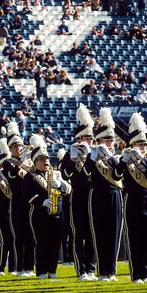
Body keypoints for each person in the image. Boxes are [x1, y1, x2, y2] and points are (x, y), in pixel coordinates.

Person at [23, 134, 71, 279]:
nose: (46, 161)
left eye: (47, 158)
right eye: (43, 159)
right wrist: (41, 202)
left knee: (55, 242)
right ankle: (42, 270)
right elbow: (27, 194)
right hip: (40, 214)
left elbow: (68, 189)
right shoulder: (30, 176)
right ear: (35, 161)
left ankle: (52, 270)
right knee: (42, 242)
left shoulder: (55, 173)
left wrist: (60, 185)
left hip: (57, 213)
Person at [85, 107, 123, 282]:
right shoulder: (92, 155)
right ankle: (102, 271)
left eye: (111, 140)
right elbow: (86, 172)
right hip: (98, 195)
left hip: (114, 193)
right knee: (100, 233)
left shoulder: (116, 156)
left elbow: (118, 174)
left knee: (114, 233)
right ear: (99, 140)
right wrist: (92, 157)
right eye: (106, 141)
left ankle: (112, 271)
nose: (110, 143)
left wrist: (112, 156)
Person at [119, 113, 147, 284]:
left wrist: (145, 158)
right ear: (132, 144)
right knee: (134, 238)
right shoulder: (124, 159)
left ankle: (146, 274)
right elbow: (116, 175)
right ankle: (136, 275)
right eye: (139, 144)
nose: (142, 147)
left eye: (143, 144)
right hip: (132, 198)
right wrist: (124, 160)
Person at [60, 104, 97, 281]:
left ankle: (91, 267)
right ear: (79, 138)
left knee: (92, 233)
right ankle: (80, 269)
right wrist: (74, 159)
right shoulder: (70, 155)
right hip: (77, 197)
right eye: (87, 139)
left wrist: (89, 155)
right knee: (78, 233)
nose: (90, 142)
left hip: (92, 197)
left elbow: (94, 173)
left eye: (91, 139)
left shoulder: (94, 154)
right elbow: (65, 175)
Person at [1, 121, 36, 276]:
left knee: (31, 235)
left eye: (20, 146)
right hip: (16, 202)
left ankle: (29, 266)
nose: (18, 148)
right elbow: (11, 175)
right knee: (19, 235)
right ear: (10, 149)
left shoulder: (29, 163)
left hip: (29, 201)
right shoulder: (8, 163)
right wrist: (21, 162)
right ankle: (19, 267)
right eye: (15, 147)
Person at [0, 144, 15, 275]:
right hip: (2, 209)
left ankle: (12, 267)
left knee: (14, 238)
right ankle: (0, 267)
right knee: (4, 239)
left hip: (13, 208)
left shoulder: (11, 175)